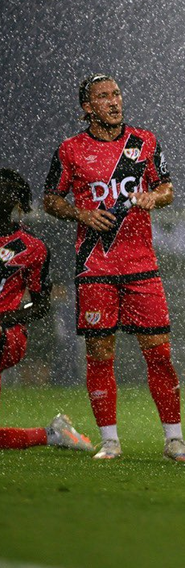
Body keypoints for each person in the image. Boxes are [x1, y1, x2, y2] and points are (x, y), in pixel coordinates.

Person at [43, 74, 185, 462]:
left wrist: (152, 198)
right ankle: (110, 441)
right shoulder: (70, 149)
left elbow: (168, 188)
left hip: (141, 265)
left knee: (159, 353)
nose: (114, 102)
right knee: (99, 353)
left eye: (116, 94)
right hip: (95, 267)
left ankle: (174, 440)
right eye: (103, 97)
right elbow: (49, 199)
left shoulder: (143, 142)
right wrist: (81, 213)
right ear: (87, 108)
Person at [0, 169, 94, 453]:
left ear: (17, 202)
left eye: (5, 191)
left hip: (7, 334)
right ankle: (53, 434)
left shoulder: (32, 248)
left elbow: (41, 304)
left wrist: (10, 317)